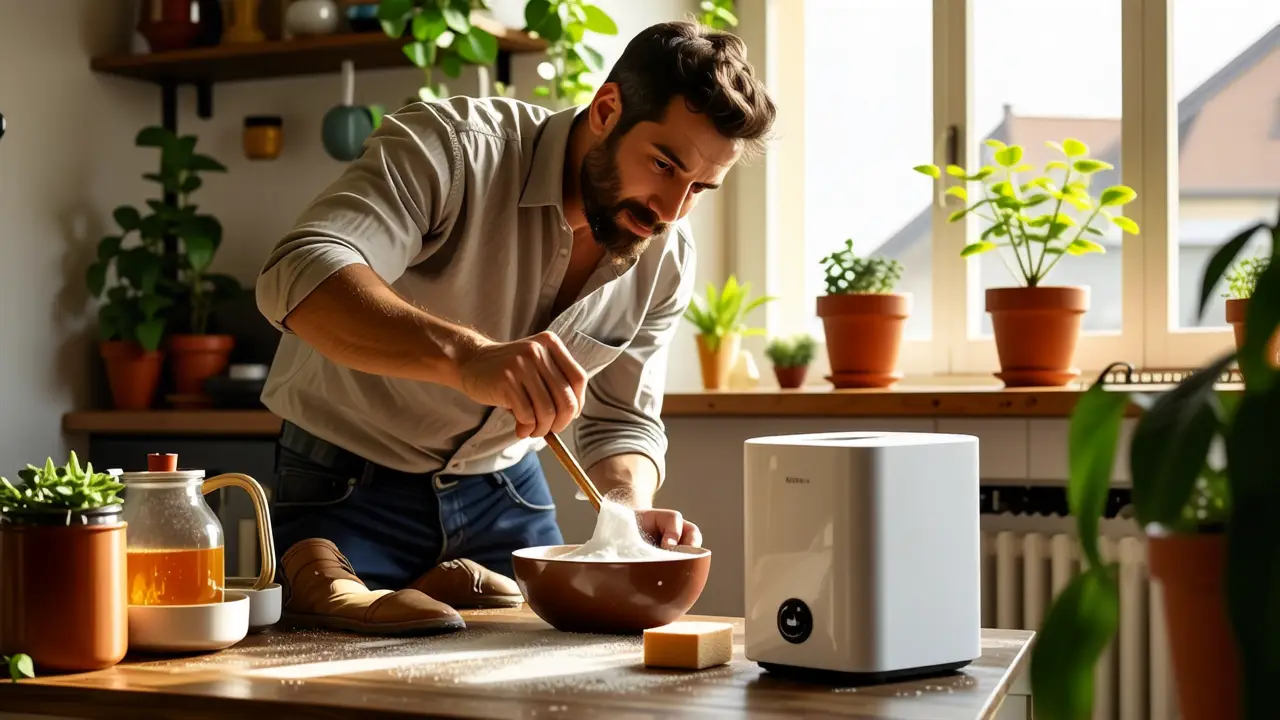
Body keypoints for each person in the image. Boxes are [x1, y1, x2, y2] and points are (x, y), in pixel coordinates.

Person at [253, 19, 776, 636]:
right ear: (607, 110)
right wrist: (467, 357)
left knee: (556, 667)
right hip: (344, 487)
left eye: (699, 189)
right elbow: (298, 273)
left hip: (505, 492)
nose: (669, 210)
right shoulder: (453, 148)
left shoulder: (667, 256)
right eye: (664, 164)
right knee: (343, 672)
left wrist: (626, 512)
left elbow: (621, 421)